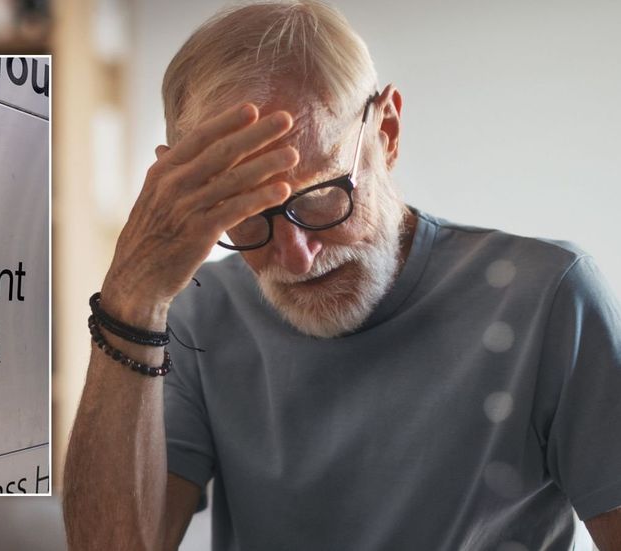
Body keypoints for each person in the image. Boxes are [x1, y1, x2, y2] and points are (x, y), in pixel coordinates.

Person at [62, 2, 621, 549]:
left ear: (388, 132)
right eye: (245, 214)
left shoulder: (546, 299)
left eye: (324, 196)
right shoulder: (196, 317)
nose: (295, 256)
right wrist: (133, 294)